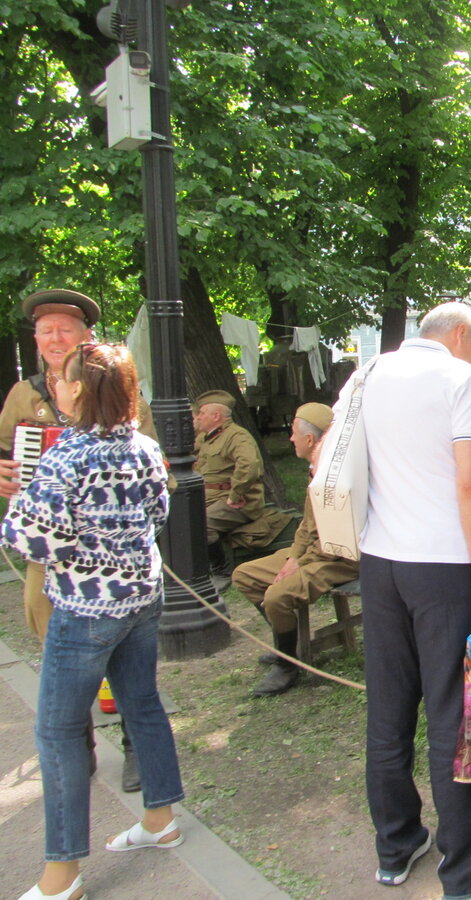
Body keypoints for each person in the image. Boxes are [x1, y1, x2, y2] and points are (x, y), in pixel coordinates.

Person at [2, 342, 184, 900]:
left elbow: (31, 537)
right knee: (143, 704)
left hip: (85, 610)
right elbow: (159, 513)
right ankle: (161, 819)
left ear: (79, 389)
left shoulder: (66, 455)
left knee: (57, 732)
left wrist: (16, 508)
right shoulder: (146, 448)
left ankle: (61, 876)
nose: (54, 385)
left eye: (61, 378)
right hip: (141, 597)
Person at [358, 301, 471, 899]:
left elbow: (329, 461)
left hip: (378, 563)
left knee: (388, 709)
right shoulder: (462, 378)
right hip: (441, 566)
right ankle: (466, 870)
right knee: (453, 712)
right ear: (460, 336)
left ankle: (395, 847)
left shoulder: (368, 372)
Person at [0, 288, 153, 792]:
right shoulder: (25, 396)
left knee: (127, 658)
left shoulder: (120, 388)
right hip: (51, 551)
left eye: (65, 330)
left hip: (109, 555)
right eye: (45, 331)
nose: (53, 339)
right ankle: (77, 746)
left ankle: (134, 747)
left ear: (85, 336)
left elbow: (150, 462)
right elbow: (5, 451)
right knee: (55, 644)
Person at [231, 402, 358, 697]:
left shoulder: (335, 475)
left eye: (293, 433)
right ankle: (287, 649)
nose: (290, 439)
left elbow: (335, 539)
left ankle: (288, 667)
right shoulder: (317, 467)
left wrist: (299, 561)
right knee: (245, 576)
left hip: (337, 560)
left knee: (277, 595)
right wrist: (293, 557)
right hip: (310, 553)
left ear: (310, 439)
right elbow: (306, 525)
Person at [193, 389, 288, 585]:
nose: (198, 417)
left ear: (216, 415)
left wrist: (235, 495)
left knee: (201, 524)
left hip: (238, 501)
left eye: (202, 413)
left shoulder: (237, 436)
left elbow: (250, 466)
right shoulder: (206, 437)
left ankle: (221, 571)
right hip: (211, 496)